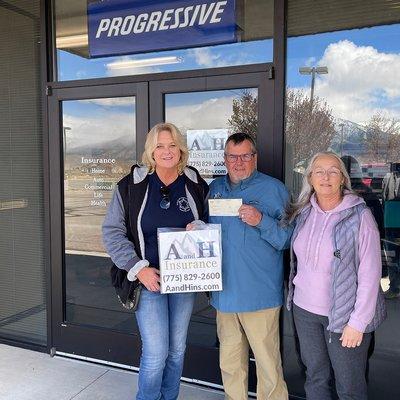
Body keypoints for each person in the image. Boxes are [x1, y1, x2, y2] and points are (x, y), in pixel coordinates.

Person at [102, 122, 209, 400]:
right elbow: (112, 233)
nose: (167, 151)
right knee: (156, 351)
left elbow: (210, 222)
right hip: (149, 282)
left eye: (172, 144)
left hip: (184, 279)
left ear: (180, 149)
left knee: (177, 350)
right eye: (160, 145)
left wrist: (200, 227)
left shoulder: (195, 182)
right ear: (151, 150)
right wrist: (139, 269)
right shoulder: (131, 186)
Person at [286, 151, 386, 400]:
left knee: (349, 388)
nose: (326, 177)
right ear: (310, 177)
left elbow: (370, 275)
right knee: (315, 377)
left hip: (345, 317)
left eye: (333, 171)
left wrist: (358, 323)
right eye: (319, 171)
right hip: (305, 312)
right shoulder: (304, 213)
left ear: (343, 178)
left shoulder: (360, 217)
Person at [209, 132, 291, 400]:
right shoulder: (215, 189)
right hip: (225, 295)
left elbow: (289, 238)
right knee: (230, 365)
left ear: (255, 157)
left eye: (245, 155)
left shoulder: (273, 189)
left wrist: (261, 220)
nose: (239, 162)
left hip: (260, 296)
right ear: (225, 159)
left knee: (269, 365)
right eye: (233, 156)